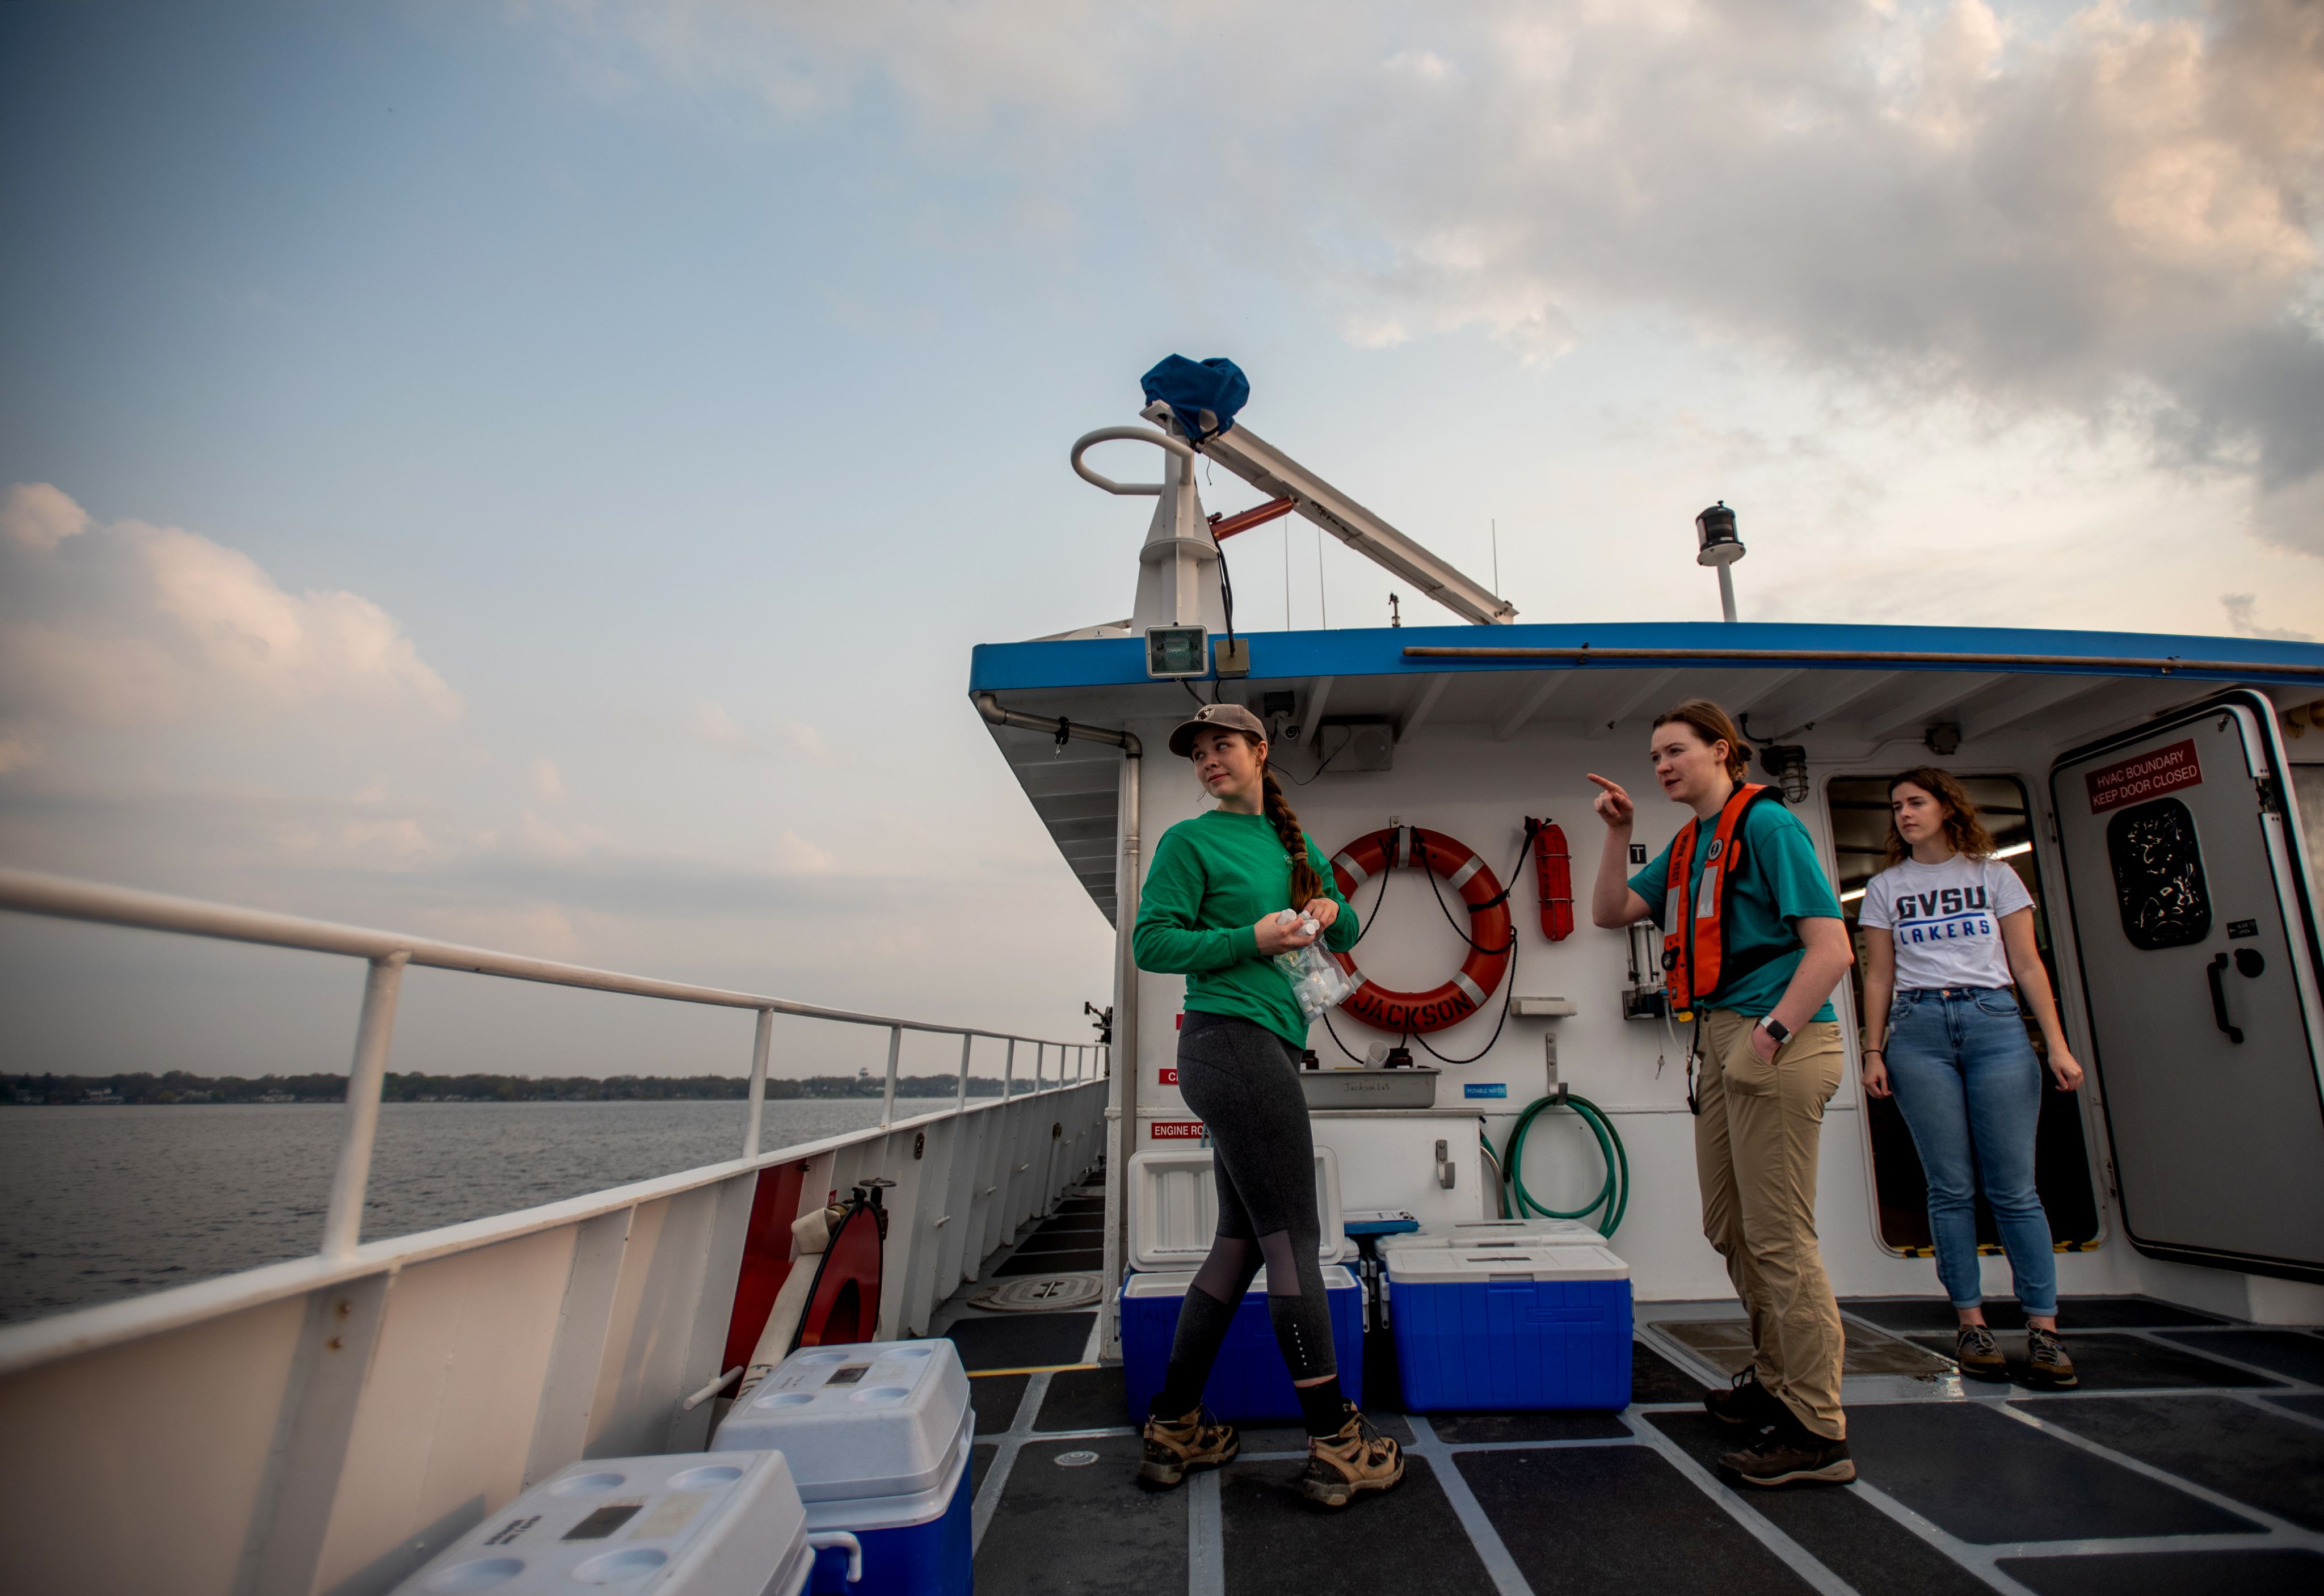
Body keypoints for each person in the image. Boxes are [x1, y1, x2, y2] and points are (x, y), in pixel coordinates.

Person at [1129, 701, 1403, 1509]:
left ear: (1259, 750)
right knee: (1297, 1241)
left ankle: (1175, 1425)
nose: (1209, 760)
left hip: (1261, 1049)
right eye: (1198, 752)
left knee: (1243, 1242)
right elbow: (1153, 942)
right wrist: (1251, 939)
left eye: (1222, 746)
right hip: (1232, 1045)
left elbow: (1344, 920)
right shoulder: (1189, 841)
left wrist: (1325, 909)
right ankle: (1337, 1442)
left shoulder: (1290, 838)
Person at [1589, 700, 1858, 1487]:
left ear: (1724, 751)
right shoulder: (1686, 843)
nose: (1664, 765)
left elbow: (1832, 946)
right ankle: (1777, 1382)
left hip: (1774, 1036)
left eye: (1677, 751)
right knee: (1731, 1228)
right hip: (1720, 1040)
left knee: (1780, 1238)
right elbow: (1610, 912)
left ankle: (1817, 1427)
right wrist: (1615, 828)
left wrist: (1769, 1036)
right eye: (1656, 757)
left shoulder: (1768, 828)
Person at [1858, 768, 2085, 1388]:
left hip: (1995, 1023)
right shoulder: (1885, 887)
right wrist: (1873, 1049)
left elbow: (2027, 963)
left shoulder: (1993, 875)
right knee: (1949, 1185)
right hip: (1918, 1028)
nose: (1903, 813)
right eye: (1896, 804)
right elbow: (1877, 974)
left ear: (1944, 807)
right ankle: (1971, 1322)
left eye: (1915, 801)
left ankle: (2044, 1329)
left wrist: (2057, 1046)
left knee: (2014, 1187)